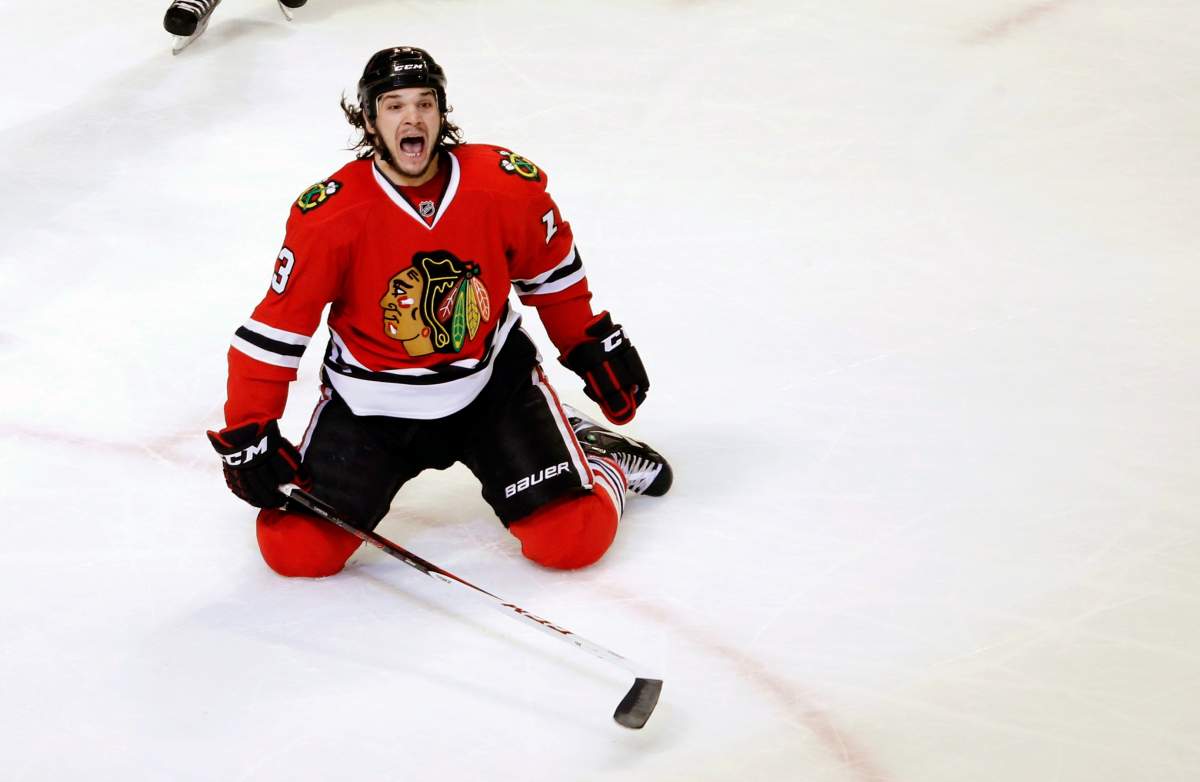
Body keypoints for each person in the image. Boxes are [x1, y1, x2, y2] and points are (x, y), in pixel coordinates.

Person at [207, 46, 672, 578]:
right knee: (294, 549)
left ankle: (601, 459)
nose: (412, 118)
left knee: (571, 540)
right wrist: (248, 432)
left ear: (441, 113)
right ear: (369, 119)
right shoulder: (333, 215)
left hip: (491, 392)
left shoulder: (500, 186)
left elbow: (553, 274)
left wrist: (589, 344)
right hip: (371, 409)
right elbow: (275, 332)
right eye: (394, 105)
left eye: (425, 103)